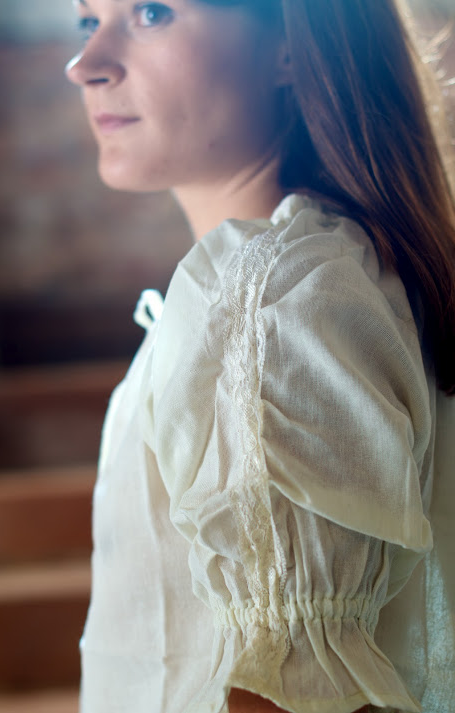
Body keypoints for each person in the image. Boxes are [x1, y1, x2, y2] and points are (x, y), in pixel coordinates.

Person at [65, 0, 455, 711]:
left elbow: (298, 690)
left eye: (151, 13)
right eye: (88, 20)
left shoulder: (271, 298)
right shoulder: (304, 277)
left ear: (287, 44)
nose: (87, 64)